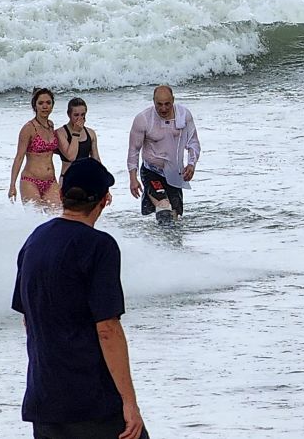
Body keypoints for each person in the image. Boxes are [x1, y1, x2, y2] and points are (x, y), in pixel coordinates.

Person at [12, 158, 148, 439]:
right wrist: (129, 402)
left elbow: (28, 319)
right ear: (105, 200)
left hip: (45, 400)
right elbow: (107, 329)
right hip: (93, 403)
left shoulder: (35, 240)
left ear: (61, 194)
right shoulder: (100, 246)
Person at [127, 85, 201, 225]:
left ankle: (168, 245)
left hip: (175, 173)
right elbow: (133, 150)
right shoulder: (143, 119)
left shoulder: (183, 115)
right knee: (164, 209)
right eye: (159, 104)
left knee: (174, 217)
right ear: (153, 101)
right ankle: (159, 246)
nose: (163, 109)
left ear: (173, 100)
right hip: (151, 171)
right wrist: (133, 178)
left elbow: (193, 142)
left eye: (167, 104)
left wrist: (192, 164)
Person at [8, 88, 70, 207]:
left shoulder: (50, 125)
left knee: (56, 217)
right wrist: (12, 185)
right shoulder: (28, 128)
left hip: (51, 182)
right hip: (30, 181)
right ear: (35, 106)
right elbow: (19, 157)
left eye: (48, 103)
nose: (45, 106)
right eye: (41, 103)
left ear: (52, 105)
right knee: (35, 219)